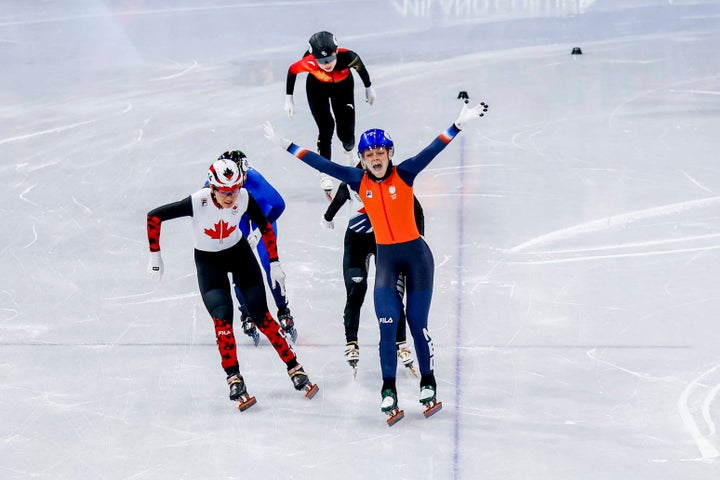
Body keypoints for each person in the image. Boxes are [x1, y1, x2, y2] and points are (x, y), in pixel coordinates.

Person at [264, 100, 489, 424]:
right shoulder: (358, 180)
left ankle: (428, 382)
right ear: (363, 159)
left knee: (415, 323)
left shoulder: (406, 173)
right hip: (387, 262)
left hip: (417, 261)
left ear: (389, 154)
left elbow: (433, 149)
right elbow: (321, 165)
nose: (375, 158)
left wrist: (459, 124)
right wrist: (286, 145)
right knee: (386, 328)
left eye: (380, 153)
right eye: (369, 155)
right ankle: (389, 389)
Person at [146, 157, 319, 408]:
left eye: (235, 190)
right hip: (209, 264)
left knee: (264, 318)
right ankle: (234, 378)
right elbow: (154, 217)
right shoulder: (198, 201)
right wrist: (155, 256)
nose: (231, 197)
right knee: (223, 322)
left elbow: (266, 226)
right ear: (213, 187)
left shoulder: (245, 198)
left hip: (239, 255)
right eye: (225, 192)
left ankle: (295, 368)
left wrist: (275, 263)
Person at [322, 166, 426, 377]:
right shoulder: (351, 184)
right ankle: (351, 340)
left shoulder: (392, 185)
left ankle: (401, 342)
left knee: (393, 294)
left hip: (383, 243)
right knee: (356, 290)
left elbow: (417, 210)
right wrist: (327, 219)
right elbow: (332, 210)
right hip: (356, 244)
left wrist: (419, 240)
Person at [214, 150, 297, 345]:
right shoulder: (216, 182)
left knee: (269, 265)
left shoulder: (256, 180)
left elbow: (279, 205)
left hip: (262, 214)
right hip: (238, 216)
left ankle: (283, 309)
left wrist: (261, 229)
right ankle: (246, 312)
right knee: (238, 266)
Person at [284, 30, 376, 199]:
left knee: (347, 135)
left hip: (343, 88)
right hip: (317, 89)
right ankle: (325, 172)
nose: (327, 64)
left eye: (330, 58)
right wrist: (288, 97)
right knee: (326, 128)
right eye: (322, 60)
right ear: (314, 57)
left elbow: (361, 69)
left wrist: (368, 88)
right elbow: (292, 71)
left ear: (336, 51)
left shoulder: (349, 57)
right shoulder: (308, 62)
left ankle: (349, 153)